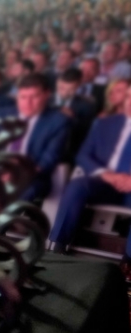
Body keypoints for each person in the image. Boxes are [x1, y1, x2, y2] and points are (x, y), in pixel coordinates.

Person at [49, 86, 131, 279]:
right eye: (128, 96)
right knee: (77, 185)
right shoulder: (105, 123)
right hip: (104, 182)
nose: (130, 102)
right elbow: (84, 155)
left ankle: (128, 263)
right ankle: (57, 247)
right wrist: (107, 175)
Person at [0, 73, 70, 202]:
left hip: (32, 175)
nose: (28, 103)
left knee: (18, 196)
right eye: (23, 97)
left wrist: (17, 174)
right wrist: (0, 171)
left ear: (47, 95)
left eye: (34, 97)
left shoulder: (58, 121)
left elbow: (49, 159)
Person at [52, 68, 97, 161]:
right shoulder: (44, 100)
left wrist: (73, 118)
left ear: (78, 87)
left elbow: (86, 133)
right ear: (57, 82)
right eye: (62, 88)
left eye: (71, 89)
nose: (65, 93)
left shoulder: (86, 106)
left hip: (68, 153)